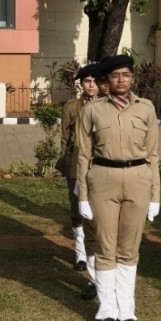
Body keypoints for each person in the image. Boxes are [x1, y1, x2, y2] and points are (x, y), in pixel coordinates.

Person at [73, 51, 161, 321]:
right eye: (115, 76)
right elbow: (83, 156)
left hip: (138, 178)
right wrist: (83, 196)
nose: (121, 80)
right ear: (106, 81)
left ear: (133, 78)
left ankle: (127, 310)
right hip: (103, 179)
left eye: (126, 75)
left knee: (129, 249)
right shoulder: (92, 110)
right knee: (105, 247)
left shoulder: (146, 108)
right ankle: (107, 309)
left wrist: (156, 195)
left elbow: (153, 155)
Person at [59, 64, 100, 292]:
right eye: (86, 81)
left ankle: (97, 256)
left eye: (95, 81)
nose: (91, 85)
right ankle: (80, 255)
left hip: (100, 160)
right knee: (77, 208)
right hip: (76, 160)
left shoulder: (107, 105)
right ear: (81, 84)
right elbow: (65, 139)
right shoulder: (72, 107)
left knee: (97, 208)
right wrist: (65, 164)